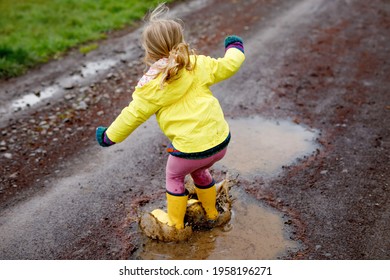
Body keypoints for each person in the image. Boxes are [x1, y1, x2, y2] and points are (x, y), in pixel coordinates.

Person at [96, 3, 245, 234]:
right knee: (200, 170)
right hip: (220, 142)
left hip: (190, 150)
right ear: (180, 40)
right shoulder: (197, 64)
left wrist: (109, 136)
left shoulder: (152, 86)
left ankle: (175, 225)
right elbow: (228, 65)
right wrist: (234, 48)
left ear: (149, 51)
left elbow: (131, 116)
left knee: (174, 175)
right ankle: (212, 213)